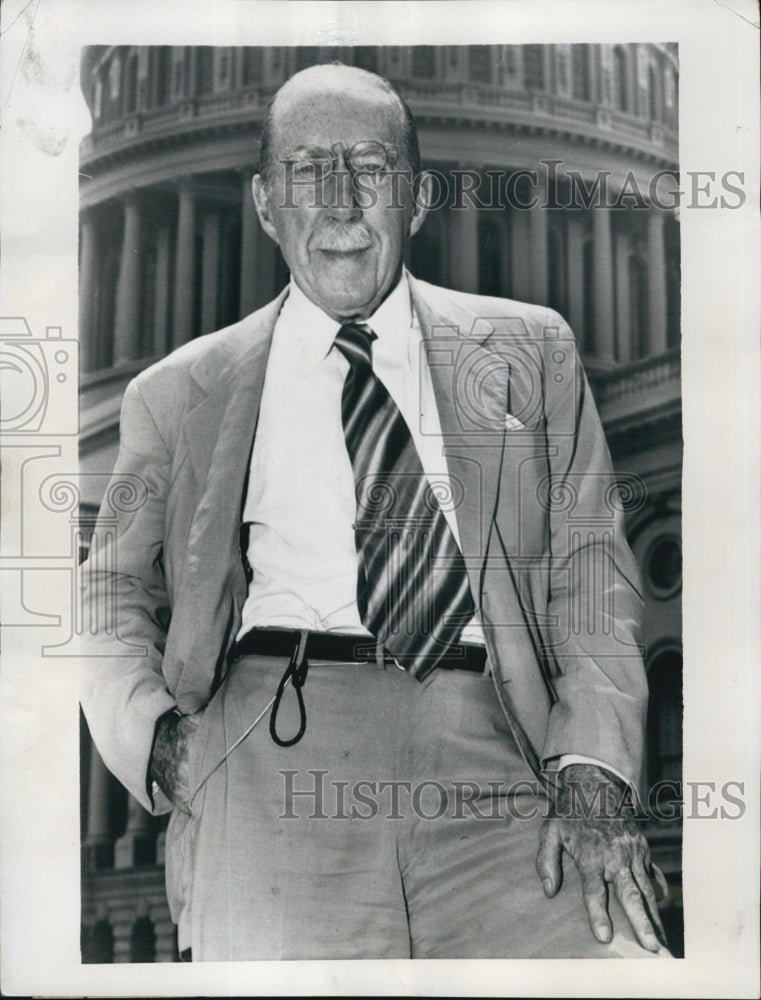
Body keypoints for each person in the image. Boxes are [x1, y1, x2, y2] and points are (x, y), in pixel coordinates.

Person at [81, 62, 670, 961]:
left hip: (494, 742)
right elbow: (109, 594)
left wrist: (591, 764)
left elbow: (590, 567)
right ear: (266, 204)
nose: (343, 200)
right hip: (273, 745)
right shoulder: (177, 392)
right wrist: (158, 740)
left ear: (420, 197)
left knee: (621, 966)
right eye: (309, 170)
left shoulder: (529, 348)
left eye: (371, 168)